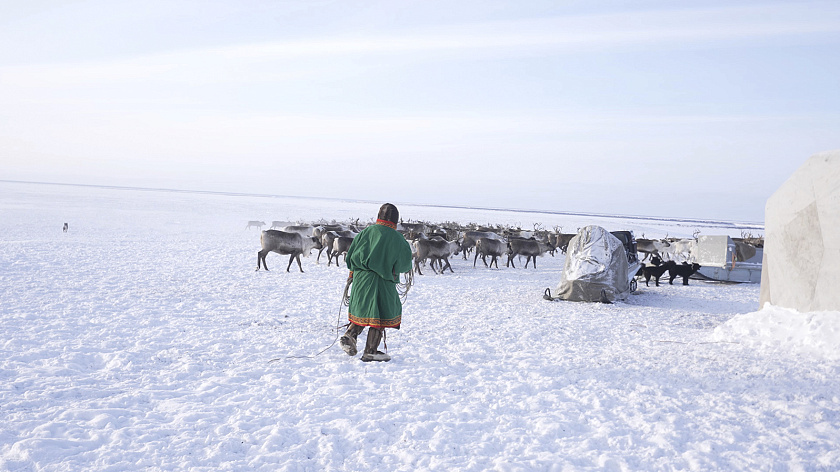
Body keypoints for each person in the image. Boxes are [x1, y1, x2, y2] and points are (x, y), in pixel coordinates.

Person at [339, 203, 413, 362]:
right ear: (395, 219)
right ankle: (371, 351)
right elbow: (405, 264)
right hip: (382, 282)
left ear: (379, 216)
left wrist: (353, 274)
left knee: (364, 310)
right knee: (379, 314)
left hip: (360, 279)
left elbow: (350, 257)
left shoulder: (365, 232)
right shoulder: (398, 238)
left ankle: (350, 335)